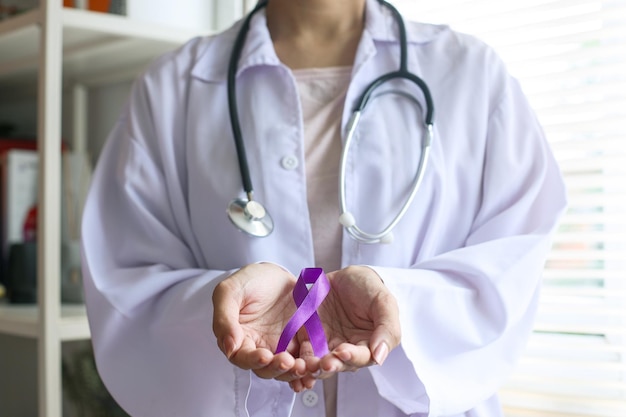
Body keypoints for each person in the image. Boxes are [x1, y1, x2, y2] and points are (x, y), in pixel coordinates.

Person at [80, 0, 567, 416]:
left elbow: (512, 262)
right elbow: (126, 280)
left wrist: (399, 300)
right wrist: (224, 302)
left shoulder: (472, 73)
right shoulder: (172, 87)